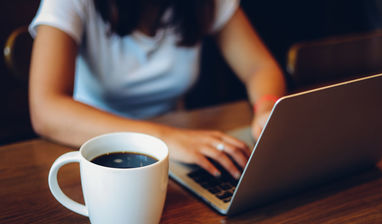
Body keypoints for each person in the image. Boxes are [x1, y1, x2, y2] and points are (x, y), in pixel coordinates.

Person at [29, 0, 286, 179]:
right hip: (94, 152)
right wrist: (164, 139)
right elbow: (45, 108)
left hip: (180, 151)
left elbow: (259, 67)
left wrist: (266, 107)